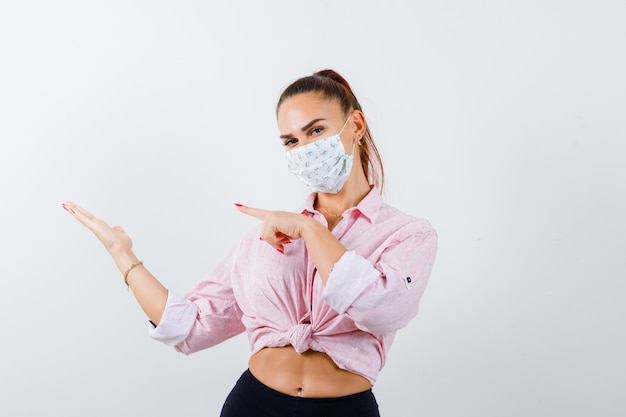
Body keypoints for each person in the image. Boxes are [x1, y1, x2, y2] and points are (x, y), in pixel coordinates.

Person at [62, 69, 437, 416]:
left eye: (316, 131)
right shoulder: (261, 240)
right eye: (291, 140)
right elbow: (190, 328)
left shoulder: (407, 235)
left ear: (355, 125)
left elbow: (382, 310)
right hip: (253, 404)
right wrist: (123, 255)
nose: (304, 148)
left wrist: (311, 230)